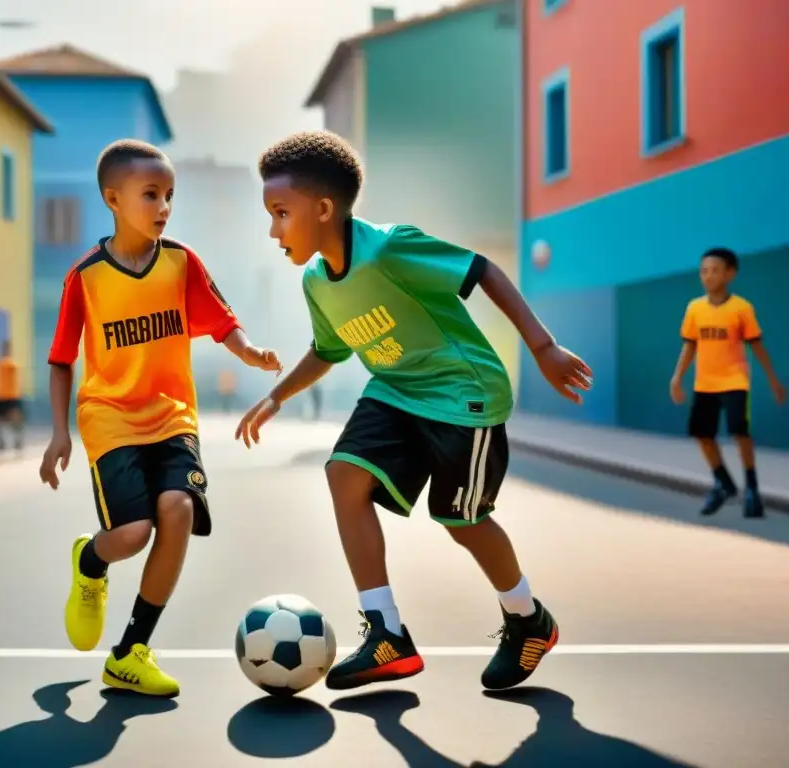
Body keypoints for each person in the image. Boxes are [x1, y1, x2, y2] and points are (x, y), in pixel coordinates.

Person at [236, 131, 593, 692]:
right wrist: (278, 394)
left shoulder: (390, 249)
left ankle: (529, 620)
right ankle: (387, 635)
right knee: (343, 474)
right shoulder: (316, 281)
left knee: (462, 520)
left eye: (281, 213)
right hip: (396, 389)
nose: (273, 231)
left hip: (462, 395)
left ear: (324, 209)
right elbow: (328, 349)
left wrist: (543, 346)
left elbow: (482, 272)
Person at [38, 139, 282, 698]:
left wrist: (250, 352)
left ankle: (130, 653)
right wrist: (59, 432)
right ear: (113, 199)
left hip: (173, 417)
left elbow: (223, 322)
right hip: (110, 417)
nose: (164, 206)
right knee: (131, 533)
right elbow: (60, 360)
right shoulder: (86, 277)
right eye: (151, 194)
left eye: (170, 195)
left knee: (177, 508)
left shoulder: (181, 261)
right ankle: (91, 560)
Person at [670, 247, 784, 518]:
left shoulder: (742, 308)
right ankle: (724, 483)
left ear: (729, 274)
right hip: (704, 384)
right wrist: (677, 377)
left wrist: (773, 379)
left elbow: (757, 347)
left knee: (739, 433)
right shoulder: (694, 308)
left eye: (714, 270)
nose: (708, 276)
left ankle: (751, 488)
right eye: (703, 271)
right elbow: (689, 347)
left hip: (734, 381)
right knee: (702, 435)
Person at [0, 340, 24, 452]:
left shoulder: (12, 364)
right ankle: (1, 443)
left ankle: (18, 441)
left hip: (12, 397)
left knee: (15, 421)